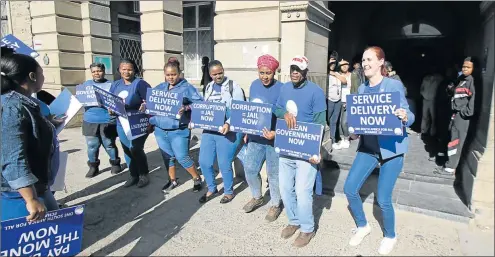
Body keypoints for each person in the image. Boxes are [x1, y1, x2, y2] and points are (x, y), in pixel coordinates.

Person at [343, 46, 414, 255]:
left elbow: (409, 115)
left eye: (369, 60)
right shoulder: (363, 89)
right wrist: (353, 131)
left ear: (381, 62)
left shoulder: (394, 85)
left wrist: (404, 116)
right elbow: (360, 121)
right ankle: (363, 225)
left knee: (383, 198)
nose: (365, 63)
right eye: (363, 60)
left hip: (392, 148)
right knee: (349, 188)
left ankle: (390, 236)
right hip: (369, 148)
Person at [1, 47, 60, 221]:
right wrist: (31, 199)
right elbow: (13, 158)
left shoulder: (22, 103)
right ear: (32, 76)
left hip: (38, 184)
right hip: (19, 193)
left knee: (57, 224)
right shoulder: (12, 107)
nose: (44, 77)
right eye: (41, 73)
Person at [273, 55, 327, 247]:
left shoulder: (316, 92)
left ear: (305, 72)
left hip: (306, 149)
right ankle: (294, 220)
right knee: (286, 188)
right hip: (287, 146)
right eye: (292, 68)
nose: (295, 72)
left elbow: (320, 123)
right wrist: (284, 113)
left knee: (303, 192)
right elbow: (277, 108)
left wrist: (316, 150)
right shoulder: (285, 87)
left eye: (299, 69)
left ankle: (307, 228)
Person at [141, 60, 204, 192]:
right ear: (164, 74)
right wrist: (145, 105)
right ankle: (172, 180)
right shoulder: (160, 87)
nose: (171, 77)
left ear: (179, 73)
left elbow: (200, 104)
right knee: (167, 156)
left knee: (182, 157)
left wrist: (186, 107)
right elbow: (151, 103)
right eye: (168, 75)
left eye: (174, 74)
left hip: (178, 130)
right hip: (160, 130)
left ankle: (196, 178)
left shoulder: (187, 88)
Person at [242, 54, 284, 222]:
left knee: (274, 174)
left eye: (268, 73)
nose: (265, 76)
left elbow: (285, 116)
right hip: (255, 137)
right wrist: (247, 131)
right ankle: (257, 196)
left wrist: (276, 133)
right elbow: (251, 111)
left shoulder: (282, 88)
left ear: (274, 72)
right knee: (250, 169)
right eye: (262, 72)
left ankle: (275, 204)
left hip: (273, 139)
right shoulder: (253, 85)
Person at [198, 60, 245, 204]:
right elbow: (204, 107)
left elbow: (239, 109)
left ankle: (229, 192)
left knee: (224, 163)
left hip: (227, 130)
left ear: (223, 70)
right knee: (204, 162)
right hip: (210, 129)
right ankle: (212, 188)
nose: (218, 76)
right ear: (210, 74)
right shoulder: (208, 87)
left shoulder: (233, 86)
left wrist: (228, 123)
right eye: (214, 74)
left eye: (220, 73)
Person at [110, 58, 152, 188]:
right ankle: (133, 175)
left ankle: (144, 174)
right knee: (127, 149)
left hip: (137, 122)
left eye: (129, 69)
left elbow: (151, 101)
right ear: (119, 70)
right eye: (123, 69)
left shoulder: (140, 84)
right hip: (121, 122)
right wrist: (111, 110)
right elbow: (111, 101)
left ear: (134, 70)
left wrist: (146, 106)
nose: (126, 72)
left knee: (136, 149)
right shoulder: (115, 85)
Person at [435, 57, 475, 176]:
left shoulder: (471, 82)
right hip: (455, 113)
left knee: (456, 141)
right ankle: (449, 163)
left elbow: (473, 101)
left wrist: (464, 112)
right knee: (452, 139)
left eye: (468, 67)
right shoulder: (461, 79)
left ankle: (450, 167)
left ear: (473, 68)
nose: (465, 69)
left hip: (461, 116)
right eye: (463, 67)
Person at [82, 63, 122, 178]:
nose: (96, 73)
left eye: (99, 71)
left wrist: (114, 109)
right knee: (92, 145)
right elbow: (80, 99)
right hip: (90, 119)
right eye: (94, 71)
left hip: (107, 119)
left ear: (104, 71)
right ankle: (93, 167)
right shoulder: (86, 85)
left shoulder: (112, 85)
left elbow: (117, 102)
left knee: (109, 143)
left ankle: (115, 163)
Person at [327, 55, 347, 150]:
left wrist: (335, 74)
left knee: (334, 121)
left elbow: (344, 81)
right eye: (331, 63)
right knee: (327, 119)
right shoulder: (326, 73)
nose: (333, 65)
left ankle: (333, 140)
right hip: (330, 99)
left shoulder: (337, 74)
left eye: (334, 63)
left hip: (338, 100)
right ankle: (327, 138)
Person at [337, 59, 352, 149]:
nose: (345, 66)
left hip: (348, 100)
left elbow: (355, 89)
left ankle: (347, 139)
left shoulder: (352, 75)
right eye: (342, 65)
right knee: (339, 122)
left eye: (346, 64)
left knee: (344, 122)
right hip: (339, 100)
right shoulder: (338, 75)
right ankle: (342, 139)